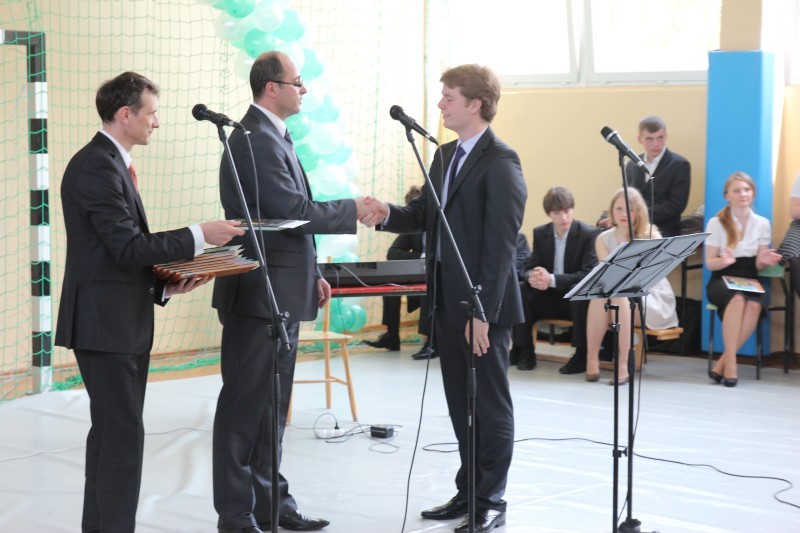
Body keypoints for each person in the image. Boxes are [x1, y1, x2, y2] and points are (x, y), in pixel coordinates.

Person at [54, 71, 244, 533]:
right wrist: (199, 234)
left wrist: (163, 285)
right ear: (125, 114)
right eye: (151, 113)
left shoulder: (109, 163)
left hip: (118, 320)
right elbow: (126, 247)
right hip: (106, 326)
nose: (156, 122)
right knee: (122, 440)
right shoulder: (97, 166)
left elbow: (113, 254)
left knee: (111, 436)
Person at [210, 51, 380, 533]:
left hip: (280, 290)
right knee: (244, 410)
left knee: (272, 409)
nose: (303, 90)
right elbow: (291, 210)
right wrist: (353, 207)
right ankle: (236, 515)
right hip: (256, 295)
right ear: (271, 88)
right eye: (297, 82)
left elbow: (284, 224)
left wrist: (311, 274)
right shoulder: (253, 139)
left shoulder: (274, 136)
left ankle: (272, 504)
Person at [365, 64, 526, 533]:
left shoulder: (501, 161)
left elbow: (500, 248)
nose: (440, 105)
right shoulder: (445, 156)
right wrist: (386, 213)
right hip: (447, 303)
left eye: (449, 97)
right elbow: (424, 214)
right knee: (461, 405)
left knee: (488, 405)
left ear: (475, 104)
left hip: (482, 308)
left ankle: (490, 500)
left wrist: (482, 312)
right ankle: (468, 491)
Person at [586, 187, 678, 385]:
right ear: (612, 212)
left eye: (630, 209)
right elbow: (608, 275)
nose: (624, 214)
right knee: (601, 295)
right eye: (619, 209)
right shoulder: (603, 239)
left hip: (651, 296)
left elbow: (649, 276)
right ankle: (591, 359)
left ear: (639, 212)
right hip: (617, 293)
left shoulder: (651, 235)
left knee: (617, 295)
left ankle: (623, 364)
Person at [510, 187, 598, 373]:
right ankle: (525, 350)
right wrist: (533, 277)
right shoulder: (541, 233)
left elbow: (588, 273)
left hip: (573, 298)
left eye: (567, 211)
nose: (563, 217)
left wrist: (552, 279)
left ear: (573, 208)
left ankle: (581, 354)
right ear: (549, 214)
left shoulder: (588, 233)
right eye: (557, 213)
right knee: (521, 288)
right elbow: (529, 267)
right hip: (549, 296)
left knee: (581, 294)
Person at [705, 172, 780, 387]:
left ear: (753, 193)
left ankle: (722, 362)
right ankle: (731, 364)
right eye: (737, 190)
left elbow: (758, 265)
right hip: (722, 278)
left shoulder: (762, 223)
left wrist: (763, 260)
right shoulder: (716, 222)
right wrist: (724, 261)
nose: (743, 194)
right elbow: (710, 263)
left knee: (754, 305)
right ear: (727, 196)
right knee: (737, 299)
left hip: (750, 277)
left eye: (747, 190)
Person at [364, 185, 434, 359]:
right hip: (418, 275)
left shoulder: (439, 225)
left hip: (437, 277)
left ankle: (431, 342)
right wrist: (423, 257)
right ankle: (392, 336)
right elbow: (393, 252)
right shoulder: (412, 230)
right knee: (389, 286)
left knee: (429, 289)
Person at [624, 115, 691, 237]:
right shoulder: (632, 165)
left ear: (666, 136)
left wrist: (639, 215)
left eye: (660, 138)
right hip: (635, 233)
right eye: (649, 139)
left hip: (665, 234)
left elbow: (675, 205)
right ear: (640, 139)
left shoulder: (679, 164)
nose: (655, 144)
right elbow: (626, 198)